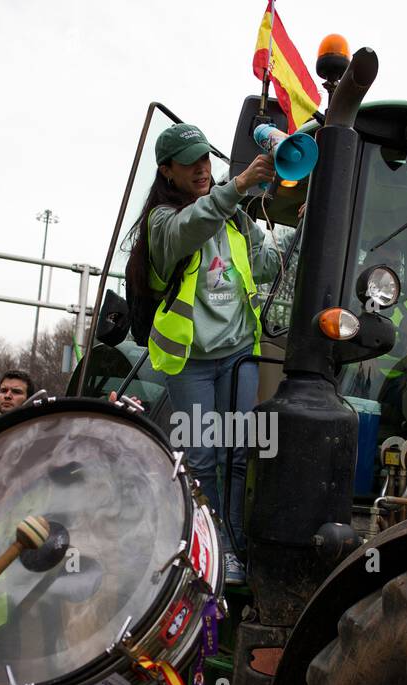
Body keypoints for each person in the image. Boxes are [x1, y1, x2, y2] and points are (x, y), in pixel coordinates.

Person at [125, 123, 280, 584]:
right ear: (167, 171)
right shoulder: (163, 223)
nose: (201, 168)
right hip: (190, 363)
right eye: (190, 162)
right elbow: (195, 224)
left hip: (237, 355)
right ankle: (207, 548)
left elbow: (268, 264)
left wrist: (311, 222)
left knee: (237, 454)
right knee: (202, 457)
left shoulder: (234, 218)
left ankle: (230, 548)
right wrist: (240, 185)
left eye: (205, 159)